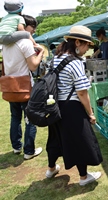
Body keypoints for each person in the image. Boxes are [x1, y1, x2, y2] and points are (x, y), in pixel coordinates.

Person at [45, 25, 103, 186]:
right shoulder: (75, 62)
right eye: (86, 46)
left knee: (55, 138)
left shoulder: (56, 57)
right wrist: (90, 113)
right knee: (80, 140)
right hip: (71, 107)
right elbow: (82, 93)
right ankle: (84, 178)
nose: (87, 50)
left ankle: (51, 169)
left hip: (54, 105)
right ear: (77, 43)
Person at [2, 14, 44, 159]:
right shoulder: (25, 42)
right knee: (30, 119)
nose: (33, 31)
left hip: (10, 87)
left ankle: (16, 147)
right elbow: (33, 66)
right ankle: (29, 151)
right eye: (32, 28)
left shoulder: (5, 44)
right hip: (25, 87)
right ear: (24, 26)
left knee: (15, 118)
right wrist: (41, 53)